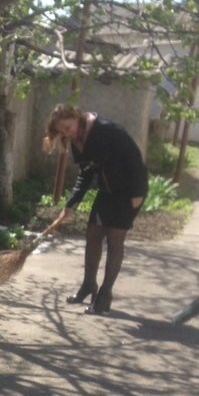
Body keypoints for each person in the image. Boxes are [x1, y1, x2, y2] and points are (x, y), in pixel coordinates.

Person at [44, 104, 149, 314]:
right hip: (107, 192)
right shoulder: (77, 141)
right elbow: (86, 174)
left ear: (76, 117)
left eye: (68, 127)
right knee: (92, 235)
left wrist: (138, 193)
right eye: (62, 131)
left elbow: (135, 158)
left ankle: (104, 296)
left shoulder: (107, 130)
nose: (67, 133)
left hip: (129, 192)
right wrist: (72, 203)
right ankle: (88, 285)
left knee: (114, 242)